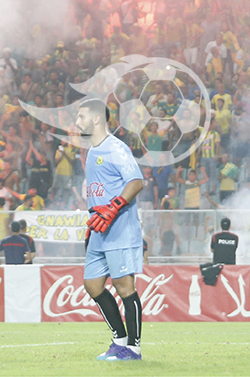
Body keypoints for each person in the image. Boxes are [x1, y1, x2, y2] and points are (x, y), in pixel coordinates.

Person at [76, 98, 145, 362]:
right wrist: (94, 216)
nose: (77, 122)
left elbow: (136, 182)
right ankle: (119, 341)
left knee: (124, 286)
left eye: (81, 117)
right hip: (99, 229)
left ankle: (133, 349)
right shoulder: (92, 151)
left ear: (96, 119)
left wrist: (113, 207)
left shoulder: (116, 148)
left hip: (119, 228)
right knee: (92, 285)